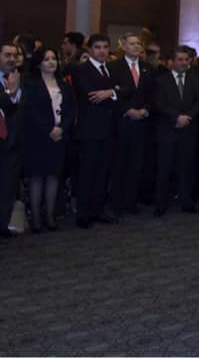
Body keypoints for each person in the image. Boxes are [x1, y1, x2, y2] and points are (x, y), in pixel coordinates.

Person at [21, 48, 76, 232]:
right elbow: (29, 111)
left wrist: (61, 128)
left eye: (54, 58)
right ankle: (36, 217)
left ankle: (50, 215)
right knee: (37, 177)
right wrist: (49, 129)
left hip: (59, 136)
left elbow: (70, 109)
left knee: (54, 176)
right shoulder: (30, 84)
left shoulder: (63, 84)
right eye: (46, 59)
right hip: (39, 136)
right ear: (38, 63)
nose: (51, 62)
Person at [71, 33, 120, 228]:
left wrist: (112, 92)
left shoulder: (111, 69)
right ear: (90, 49)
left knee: (103, 172)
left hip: (109, 129)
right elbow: (91, 95)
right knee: (87, 172)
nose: (102, 51)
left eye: (105, 47)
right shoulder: (80, 69)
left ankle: (97, 210)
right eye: (97, 47)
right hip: (90, 129)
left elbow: (126, 90)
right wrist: (114, 92)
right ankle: (83, 214)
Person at [153, 46, 199, 216]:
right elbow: (160, 104)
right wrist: (176, 117)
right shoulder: (162, 81)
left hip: (188, 129)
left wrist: (187, 117)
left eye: (186, 60)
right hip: (168, 129)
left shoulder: (196, 80)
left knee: (186, 167)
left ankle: (186, 202)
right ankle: (161, 203)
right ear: (173, 61)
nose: (183, 63)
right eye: (180, 60)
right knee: (164, 168)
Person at [107, 32, 154, 217]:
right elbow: (112, 94)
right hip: (121, 121)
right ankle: (117, 201)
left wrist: (145, 110)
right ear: (123, 47)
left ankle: (131, 201)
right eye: (132, 43)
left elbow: (153, 94)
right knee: (119, 162)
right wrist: (127, 110)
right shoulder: (113, 67)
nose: (136, 46)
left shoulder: (148, 68)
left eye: (138, 43)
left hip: (142, 122)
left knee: (137, 163)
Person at [0, 43, 23, 238]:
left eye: (15, 56)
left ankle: (2, 225)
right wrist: (10, 93)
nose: (12, 59)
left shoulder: (24, 80)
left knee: (8, 187)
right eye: (7, 55)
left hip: (14, 142)